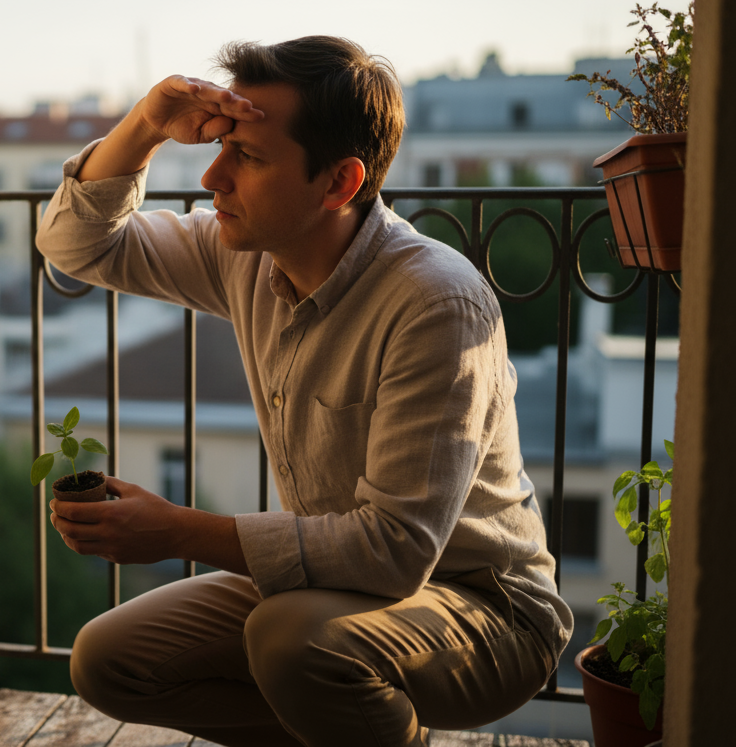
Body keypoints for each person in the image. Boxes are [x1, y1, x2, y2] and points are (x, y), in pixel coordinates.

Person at [36, 37, 572, 747]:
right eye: (223, 145)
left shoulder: (435, 304)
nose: (212, 176)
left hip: (485, 609)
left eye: (249, 157)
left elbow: (395, 552)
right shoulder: (247, 257)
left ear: (339, 184)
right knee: (110, 662)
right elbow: (78, 247)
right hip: (326, 592)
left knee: (292, 641)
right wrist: (143, 124)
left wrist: (177, 532)